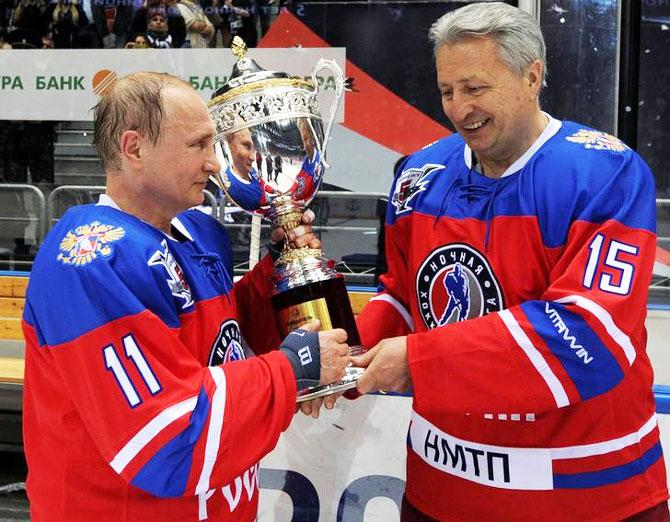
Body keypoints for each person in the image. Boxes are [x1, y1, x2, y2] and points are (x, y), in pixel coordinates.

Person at [353, 3, 668, 521]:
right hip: (440, 491)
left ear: (532, 76)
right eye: (447, 91)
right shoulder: (419, 174)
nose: (458, 109)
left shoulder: (607, 174)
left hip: (587, 497)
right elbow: (403, 297)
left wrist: (417, 361)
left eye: (475, 89)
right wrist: (347, 350)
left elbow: (585, 337)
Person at [22, 71, 350, 521]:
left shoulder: (198, 230)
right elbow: (166, 440)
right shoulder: (87, 260)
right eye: (197, 146)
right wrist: (294, 368)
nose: (215, 163)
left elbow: (218, 344)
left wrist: (278, 271)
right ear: (133, 148)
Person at [222, 126, 276, 211]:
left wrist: (272, 190)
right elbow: (261, 206)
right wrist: (274, 200)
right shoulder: (237, 189)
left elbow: (261, 183)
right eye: (246, 147)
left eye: (253, 149)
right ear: (230, 144)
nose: (253, 157)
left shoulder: (250, 171)